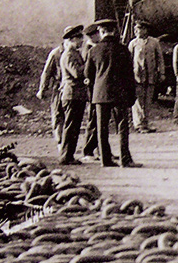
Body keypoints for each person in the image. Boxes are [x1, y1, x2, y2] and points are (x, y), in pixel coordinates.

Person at [84, 19, 139, 167]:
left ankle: (105, 160)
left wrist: (92, 96)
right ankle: (125, 159)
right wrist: (132, 96)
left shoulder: (93, 51)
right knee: (122, 127)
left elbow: (88, 75)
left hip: (100, 95)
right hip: (120, 94)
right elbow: (129, 75)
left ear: (101, 32)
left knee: (102, 128)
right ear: (114, 31)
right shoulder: (122, 50)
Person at [55, 25, 88, 165]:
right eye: (79, 38)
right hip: (72, 95)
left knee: (74, 127)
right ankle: (65, 156)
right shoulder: (68, 55)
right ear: (72, 39)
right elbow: (77, 73)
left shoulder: (74, 53)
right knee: (71, 127)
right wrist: (89, 64)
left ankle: (69, 156)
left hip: (76, 95)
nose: (81, 41)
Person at [129, 20, 165, 133]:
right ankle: (139, 124)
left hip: (150, 76)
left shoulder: (154, 42)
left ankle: (146, 123)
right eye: (135, 29)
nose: (136, 31)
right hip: (137, 76)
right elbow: (128, 60)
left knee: (148, 100)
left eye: (139, 29)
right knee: (138, 101)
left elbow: (160, 59)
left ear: (145, 30)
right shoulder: (133, 43)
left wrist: (162, 73)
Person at [36, 36, 65, 143]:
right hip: (58, 87)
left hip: (71, 88)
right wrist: (42, 89)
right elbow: (47, 72)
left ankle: (67, 144)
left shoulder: (77, 52)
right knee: (58, 114)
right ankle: (60, 140)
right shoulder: (56, 53)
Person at [80, 22, 101, 159]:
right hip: (93, 89)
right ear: (92, 36)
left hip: (97, 88)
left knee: (98, 120)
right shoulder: (89, 50)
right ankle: (88, 150)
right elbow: (88, 72)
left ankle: (100, 150)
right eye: (97, 34)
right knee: (94, 119)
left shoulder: (94, 48)